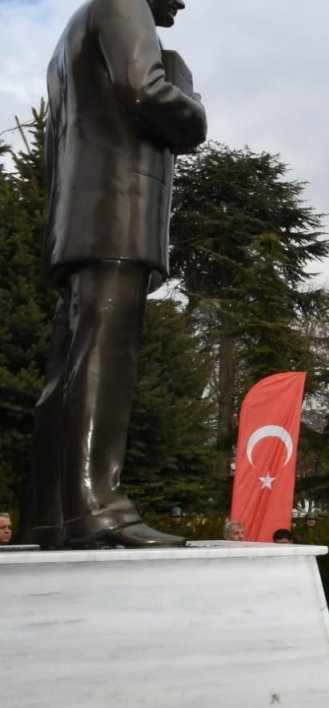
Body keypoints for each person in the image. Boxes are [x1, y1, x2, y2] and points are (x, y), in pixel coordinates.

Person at [23, 0, 206, 549]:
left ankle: (52, 514)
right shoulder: (123, 4)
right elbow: (145, 90)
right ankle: (98, 506)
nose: (182, 1)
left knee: (71, 369)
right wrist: (194, 110)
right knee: (106, 357)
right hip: (117, 211)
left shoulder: (73, 31)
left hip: (81, 216)